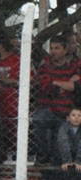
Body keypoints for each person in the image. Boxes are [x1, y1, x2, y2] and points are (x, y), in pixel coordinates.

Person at [33, 35, 79, 164]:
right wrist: (69, 83)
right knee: (39, 119)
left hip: (66, 110)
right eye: (51, 48)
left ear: (65, 50)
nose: (53, 51)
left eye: (57, 48)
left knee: (59, 152)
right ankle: (41, 158)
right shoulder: (44, 66)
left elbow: (77, 86)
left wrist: (55, 82)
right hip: (48, 109)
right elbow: (48, 89)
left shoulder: (73, 65)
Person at [52, 106, 81, 180]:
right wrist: (66, 161)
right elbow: (63, 144)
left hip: (78, 158)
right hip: (64, 158)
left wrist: (78, 161)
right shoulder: (63, 128)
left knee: (78, 170)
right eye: (73, 115)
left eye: (79, 115)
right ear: (68, 118)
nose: (76, 118)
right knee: (67, 169)